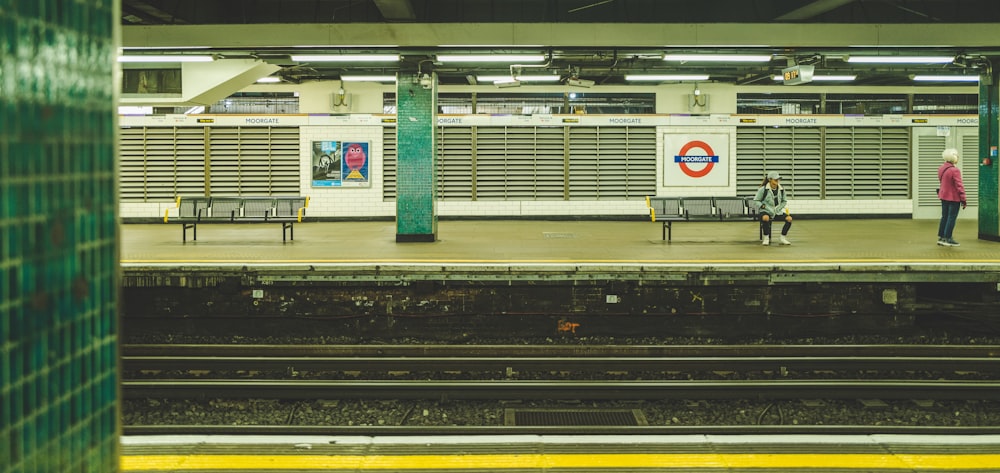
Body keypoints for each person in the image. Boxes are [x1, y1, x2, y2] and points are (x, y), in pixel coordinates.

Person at [937, 148, 967, 247]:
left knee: (944, 216)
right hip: (953, 198)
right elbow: (959, 186)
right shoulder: (955, 170)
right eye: (957, 155)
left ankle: (941, 237)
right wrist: (963, 199)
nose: (958, 157)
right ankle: (948, 238)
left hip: (943, 196)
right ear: (953, 157)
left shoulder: (941, 168)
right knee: (951, 218)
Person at [753, 171, 792, 246]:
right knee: (765, 218)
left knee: (789, 219)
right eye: (775, 179)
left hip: (777, 212)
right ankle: (766, 238)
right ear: (770, 179)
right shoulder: (763, 189)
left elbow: (784, 201)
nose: (777, 181)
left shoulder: (782, 189)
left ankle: (783, 237)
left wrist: (779, 208)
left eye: (778, 179)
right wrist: (762, 206)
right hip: (765, 211)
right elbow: (756, 200)